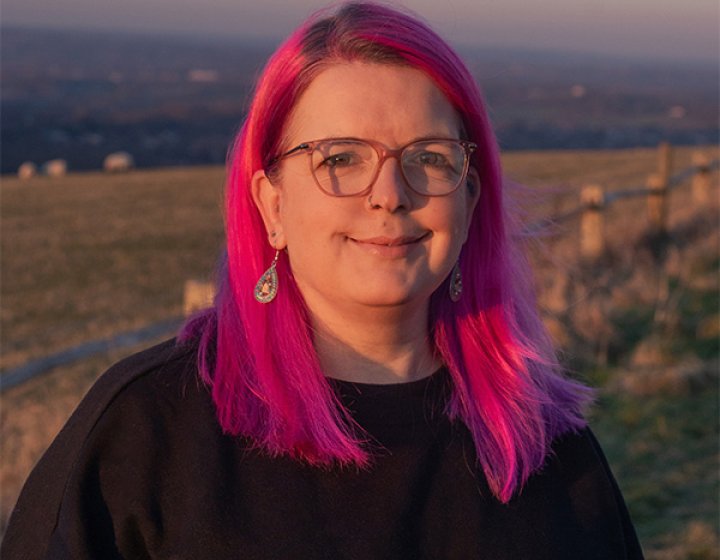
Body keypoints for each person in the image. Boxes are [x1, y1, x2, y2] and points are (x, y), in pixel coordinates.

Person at [2, 2, 644, 558]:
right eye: (340, 158)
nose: (391, 195)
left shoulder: (543, 445)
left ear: (470, 199)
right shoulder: (145, 435)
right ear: (272, 204)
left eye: (429, 158)